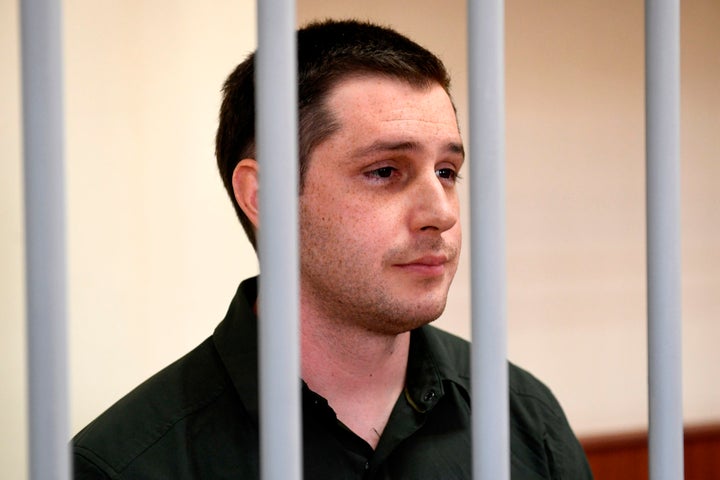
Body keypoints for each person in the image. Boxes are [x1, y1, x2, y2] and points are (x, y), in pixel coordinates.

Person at [72, 19, 593, 479]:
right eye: (386, 171)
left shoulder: (522, 417)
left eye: (447, 172)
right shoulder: (127, 464)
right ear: (264, 196)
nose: (443, 213)